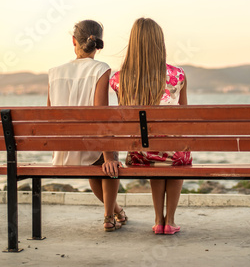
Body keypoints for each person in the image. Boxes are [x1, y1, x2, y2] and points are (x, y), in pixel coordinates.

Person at [110, 17, 192, 235]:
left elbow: (124, 116)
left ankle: (158, 220)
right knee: (175, 153)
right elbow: (185, 115)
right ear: (160, 43)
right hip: (173, 154)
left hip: (140, 153)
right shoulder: (178, 75)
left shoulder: (119, 79)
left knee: (154, 151)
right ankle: (170, 221)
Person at [47, 20, 127, 232]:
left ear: (74, 40)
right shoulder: (101, 69)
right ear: (99, 43)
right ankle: (109, 217)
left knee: (98, 160)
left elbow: (49, 117)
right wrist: (110, 156)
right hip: (89, 149)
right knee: (108, 161)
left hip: (63, 152)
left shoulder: (54, 72)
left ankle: (118, 211)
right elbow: (101, 115)